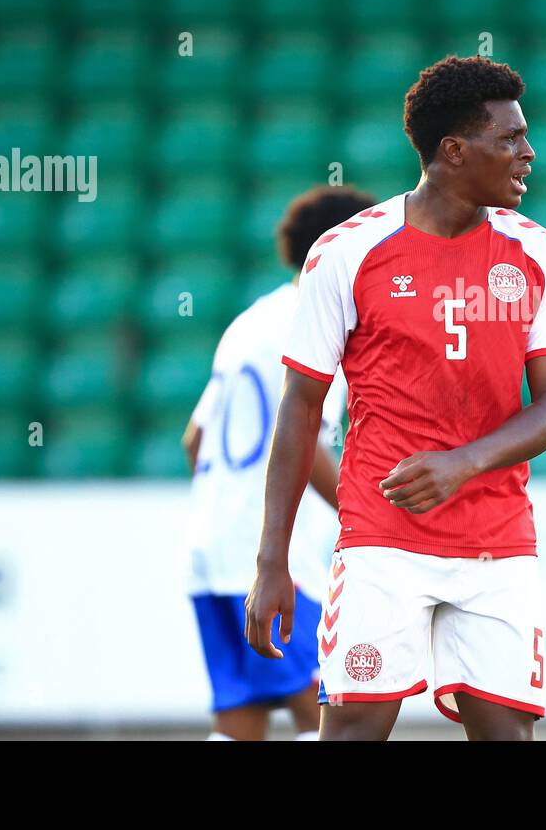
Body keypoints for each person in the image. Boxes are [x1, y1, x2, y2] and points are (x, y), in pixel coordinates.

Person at [245, 55, 546, 741]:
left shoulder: (539, 253)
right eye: (510, 138)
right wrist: (271, 562)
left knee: (505, 736)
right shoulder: (346, 252)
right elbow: (300, 406)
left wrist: (463, 462)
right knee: (354, 732)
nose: (528, 152)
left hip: (496, 542)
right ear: (454, 151)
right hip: (380, 540)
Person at [183, 185, 376, 740]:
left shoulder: (249, 322)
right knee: (322, 708)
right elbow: (304, 438)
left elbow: (194, 440)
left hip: (210, 542)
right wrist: (363, 514)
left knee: (239, 713)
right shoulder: (315, 322)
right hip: (269, 553)